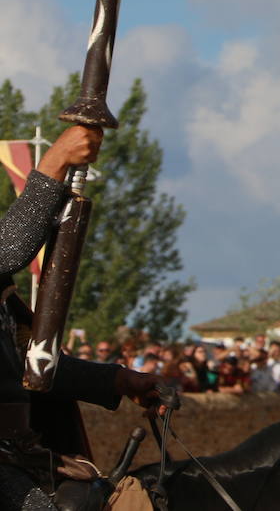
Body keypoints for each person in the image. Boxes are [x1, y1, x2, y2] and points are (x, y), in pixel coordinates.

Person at [0, 126, 166, 510]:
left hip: (18, 454)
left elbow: (29, 365)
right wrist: (55, 162)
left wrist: (118, 379)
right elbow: (9, 250)